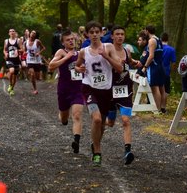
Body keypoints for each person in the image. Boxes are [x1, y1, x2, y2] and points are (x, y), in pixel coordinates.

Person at [75, 21, 122, 166]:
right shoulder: (84, 51)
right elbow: (76, 66)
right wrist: (79, 69)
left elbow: (119, 68)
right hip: (89, 88)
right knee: (96, 120)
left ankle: (95, 143)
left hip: (106, 90)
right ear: (87, 35)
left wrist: (106, 57)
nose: (94, 35)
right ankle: (97, 150)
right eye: (91, 32)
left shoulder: (109, 47)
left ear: (101, 33)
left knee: (101, 124)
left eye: (97, 32)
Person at [48, 29, 85, 153]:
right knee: (64, 118)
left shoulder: (81, 53)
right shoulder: (61, 52)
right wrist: (66, 58)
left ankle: (76, 141)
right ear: (63, 42)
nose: (71, 41)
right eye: (68, 40)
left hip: (78, 90)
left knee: (77, 115)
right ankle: (64, 118)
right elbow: (51, 66)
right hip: (64, 90)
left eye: (72, 39)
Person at [106, 25, 139, 165]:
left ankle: (128, 151)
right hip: (110, 90)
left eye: (122, 34)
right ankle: (101, 123)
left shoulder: (127, 51)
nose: (120, 36)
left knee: (126, 120)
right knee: (111, 123)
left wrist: (136, 63)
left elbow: (130, 62)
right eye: (117, 34)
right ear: (112, 36)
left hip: (125, 89)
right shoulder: (107, 51)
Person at [138, 25, 166, 112]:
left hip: (154, 66)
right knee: (162, 88)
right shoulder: (158, 39)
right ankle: (163, 108)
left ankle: (156, 109)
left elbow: (151, 56)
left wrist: (145, 67)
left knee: (155, 88)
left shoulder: (151, 40)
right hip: (160, 65)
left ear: (147, 31)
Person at [23, 30, 45, 95]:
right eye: (32, 32)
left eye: (34, 33)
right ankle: (35, 89)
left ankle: (33, 79)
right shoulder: (25, 42)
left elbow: (44, 48)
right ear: (30, 34)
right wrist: (24, 52)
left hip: (37, 61)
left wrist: (39, 52)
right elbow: (24, 50)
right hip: (29, 60)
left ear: (35, 35)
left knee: (37, 77)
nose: (33, 34)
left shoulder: (37, 41)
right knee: (32, 75)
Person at [3, 28, 23, 96]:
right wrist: (5, 54)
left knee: (15, 76)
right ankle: (10, 85)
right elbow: (4, 50)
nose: (12, 32)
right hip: (9, 59)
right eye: (10, 31)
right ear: (9, 33)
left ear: (15, 33)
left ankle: (12, 88)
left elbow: (22, 49)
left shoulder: (18, 41)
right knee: (11, 71)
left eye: (13, 31)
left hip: (16, 60)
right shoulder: (6, 41)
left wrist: (18, 51)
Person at [160, 32, 176, 114]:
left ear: (160, 39)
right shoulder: (171, 49)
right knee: (166, 90)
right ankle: (163, 107)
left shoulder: (157, 48)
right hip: (166, 71)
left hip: (157, 71)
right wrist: (171, 70)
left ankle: (157, 106)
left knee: (158, 89)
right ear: (167, 39)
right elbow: (173, 63)